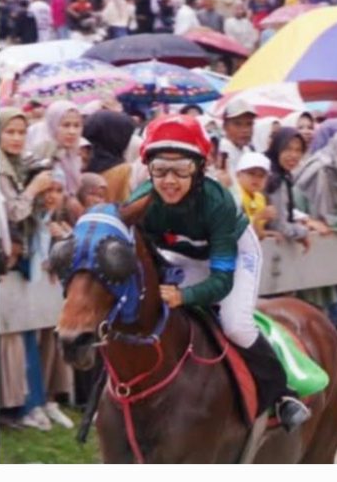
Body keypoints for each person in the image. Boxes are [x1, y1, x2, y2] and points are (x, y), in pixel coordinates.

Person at [127, 115, 310, 428]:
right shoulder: (142, 201)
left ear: (198, 168)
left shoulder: (217, 201)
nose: (169, 180)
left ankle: (282, 394)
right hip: (183, 254)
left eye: (181, 169)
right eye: (159, 169)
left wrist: (184, 296)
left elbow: (221, 281)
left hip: (234, 254)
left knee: (235, 325)